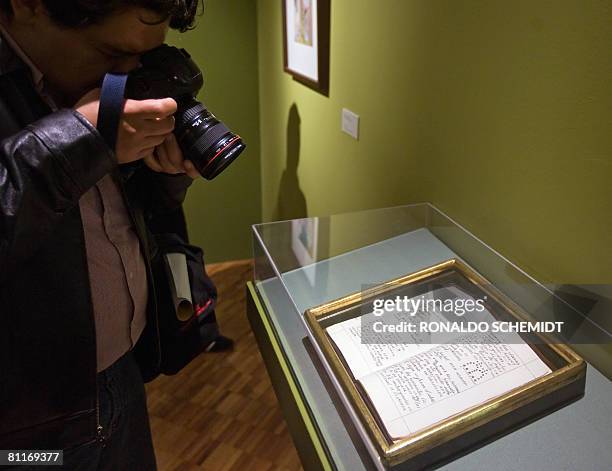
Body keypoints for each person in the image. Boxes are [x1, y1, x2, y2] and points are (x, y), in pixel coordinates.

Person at [0, 1, 204, 469]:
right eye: (112, 55)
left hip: (123, 373)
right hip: (23, 429)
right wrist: (79, 139)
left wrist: (167, 174)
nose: (129, 80)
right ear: (26, 5)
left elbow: (115, 217)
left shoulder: (80, 70)